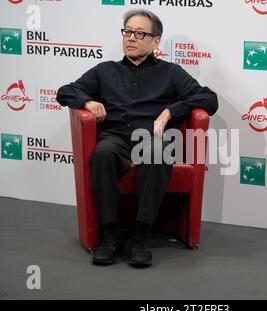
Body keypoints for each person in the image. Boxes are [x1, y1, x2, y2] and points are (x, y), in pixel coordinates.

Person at [56, 9, 218, 268]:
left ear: (155, 41)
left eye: (139, 33)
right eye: (127, 32)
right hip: (116, 137)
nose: (131, 38)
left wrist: (170, 111)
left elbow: (208, 99)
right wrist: (87, 100)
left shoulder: (171, 73)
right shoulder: (104, 71)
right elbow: (65, 92)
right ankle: (109, 235)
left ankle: (140, 237)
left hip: (151, 138)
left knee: (157, 153)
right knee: (102, 154)